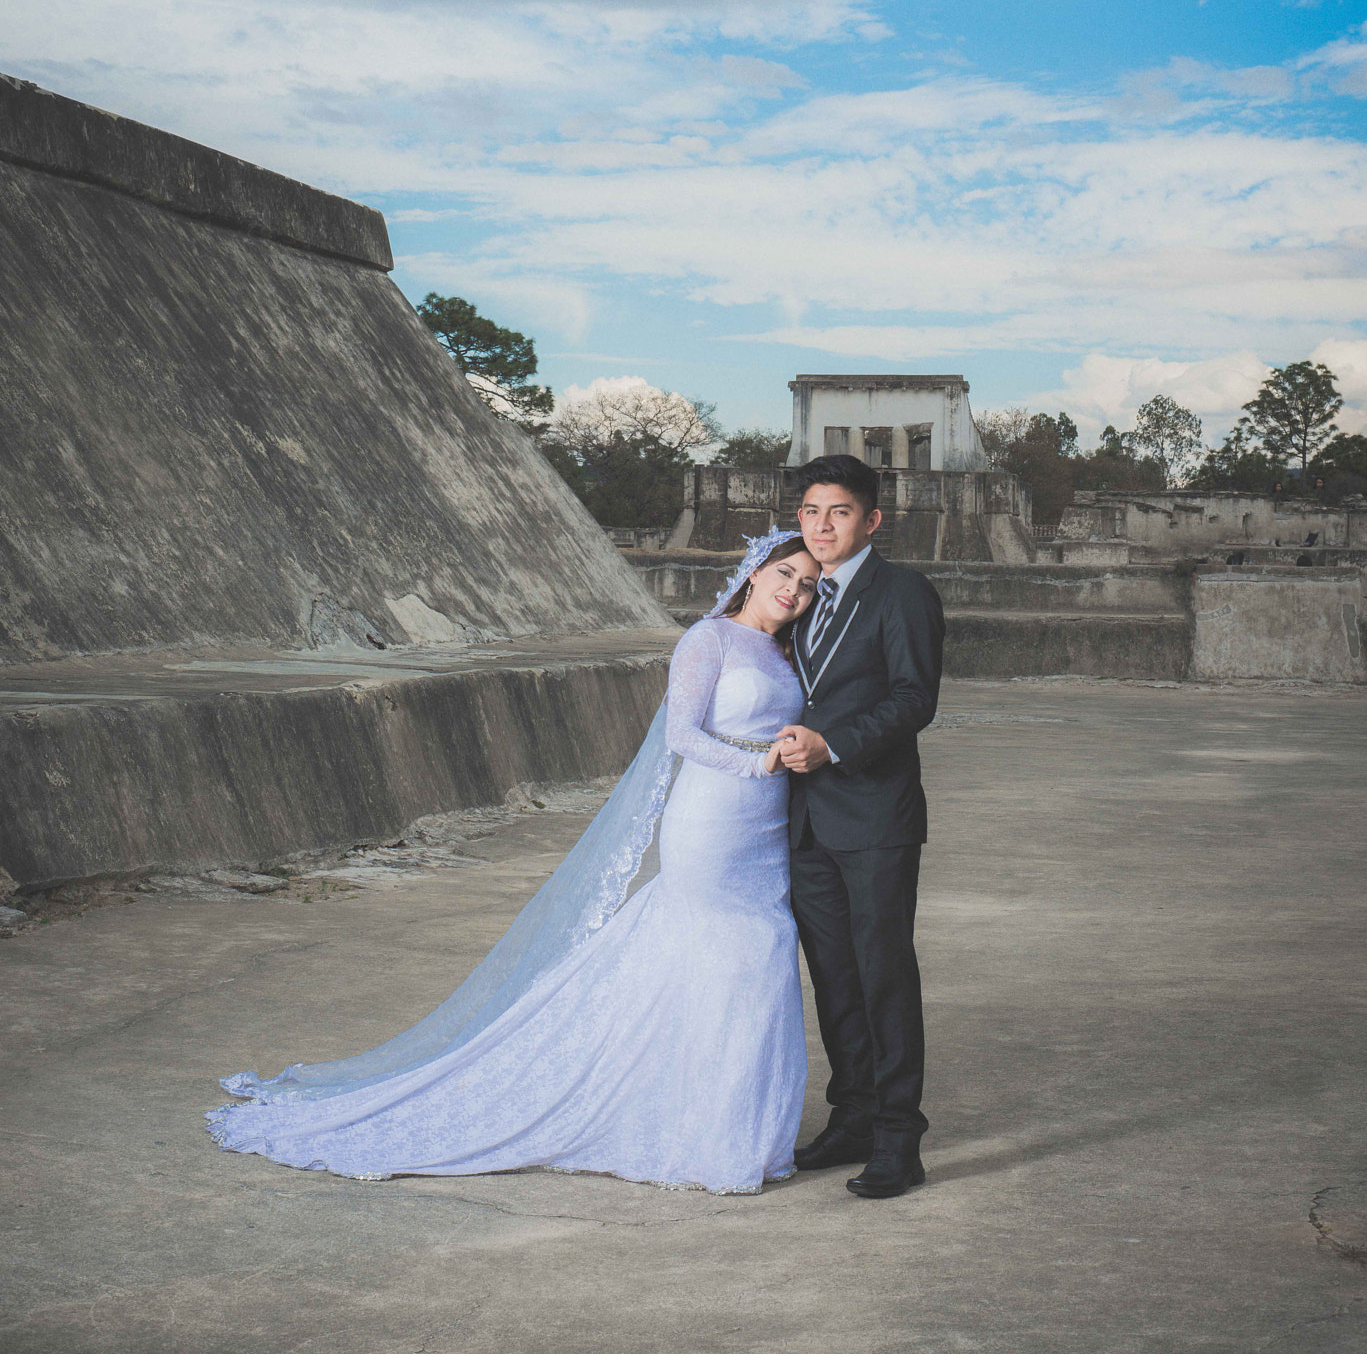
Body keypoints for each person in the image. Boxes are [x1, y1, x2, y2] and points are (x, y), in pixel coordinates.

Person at [207, 531, 819, 1195]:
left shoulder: (785, 650)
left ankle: (718, 1126)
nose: (793, 590)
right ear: (752, 571)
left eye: (808, 583)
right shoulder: (708, 639)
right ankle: (699, 1130)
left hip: (766, 829)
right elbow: (680, 733)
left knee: (744, 968)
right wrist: (756, 761)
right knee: (734, 955)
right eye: (784, 572)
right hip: (711, 822)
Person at [775, 453, 944, 1200]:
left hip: (874, 816)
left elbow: (914, 697)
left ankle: (898, 1139)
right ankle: (851, 1117)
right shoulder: (799, 592)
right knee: (833, 978)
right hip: (805, 822)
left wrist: (833, 746)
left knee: (881, 975)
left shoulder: (900, 591)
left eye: (838, 512)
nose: (821, 526)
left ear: (870, 520)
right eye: (810, 512)